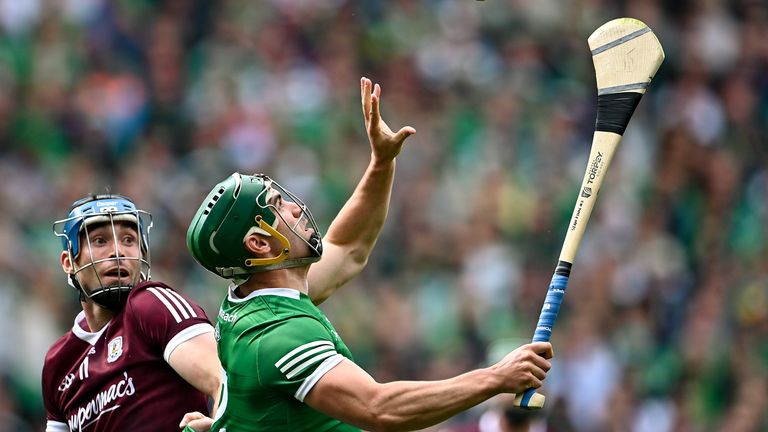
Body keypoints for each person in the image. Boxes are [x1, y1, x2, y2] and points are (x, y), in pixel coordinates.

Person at [41, 76, 419, 432]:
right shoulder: (58, 364)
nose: (119, 253)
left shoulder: (151, 306)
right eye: (101, 241)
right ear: (69, 261)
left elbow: (222, 381)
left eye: (128, 240)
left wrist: (382, 163)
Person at [181, 79, 554, 432]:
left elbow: (348, 248)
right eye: (278, 207)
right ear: (259, 245)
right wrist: (495, 378)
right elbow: (379, 408)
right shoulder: (277, 336)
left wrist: (381, 162)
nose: (296, 208)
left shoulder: (264, 296)